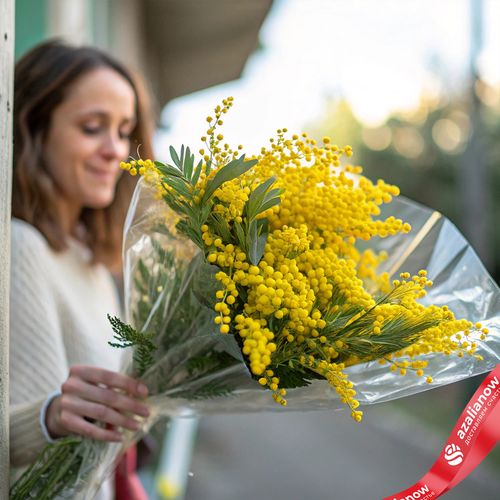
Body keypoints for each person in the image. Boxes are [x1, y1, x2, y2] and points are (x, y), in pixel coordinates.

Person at [10, 39, 155, 498]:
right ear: (35, 129)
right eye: (93, 127)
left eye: (124, 130)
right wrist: (50, 417)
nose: (116, 150)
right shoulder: (19, 246)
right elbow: (32, 438)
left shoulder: (92, 262)